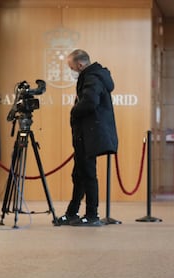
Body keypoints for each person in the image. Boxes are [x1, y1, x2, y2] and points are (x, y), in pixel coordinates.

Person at [54, 49, 118, 226]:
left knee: (88, 174)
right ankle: (72, 212)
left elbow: (90, 102)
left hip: (90, 134)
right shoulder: (94, 75)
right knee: (79, 174)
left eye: (71, 67)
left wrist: (74, 111)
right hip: (87, 134)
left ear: (80, 65)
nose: (71, 70)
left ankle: (92, 214)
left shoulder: (92, 77)